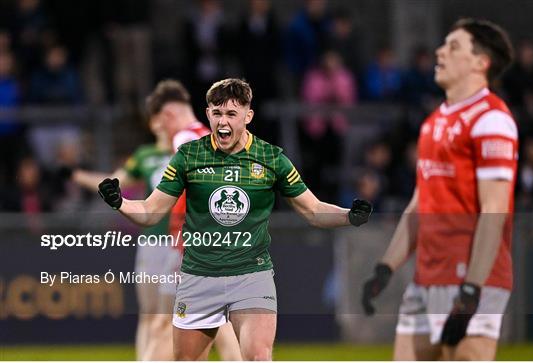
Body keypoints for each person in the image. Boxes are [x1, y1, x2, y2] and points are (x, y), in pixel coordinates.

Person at [97, 78, 373, 360]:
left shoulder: (271, 159)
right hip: (199, 276)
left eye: (231, 114)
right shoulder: (188, 156)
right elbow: (151, 211)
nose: (223, 122)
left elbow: (313, 210)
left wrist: (348, 216)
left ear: (248, 116)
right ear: (208, 115)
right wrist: (121, 203)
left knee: (257, 356)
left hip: (251, 275)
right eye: (217, 114)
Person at [361, 18, 516, 361]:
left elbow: (495, 209)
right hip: (427, 275)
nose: (439, 52)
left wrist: (472, 290)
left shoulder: (492, 119)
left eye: (453, 46)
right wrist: (386, 267)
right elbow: (419, 204)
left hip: (471, 276)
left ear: (481, 63)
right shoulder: (434, 122)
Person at [68, 79, 241, 360]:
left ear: (166, 116)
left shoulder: (185, 139)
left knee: (170, 323)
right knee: (212, 323)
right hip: (205, 243)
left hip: (192, 246)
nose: (159, 131)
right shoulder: (212, 138)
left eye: (160, 123)